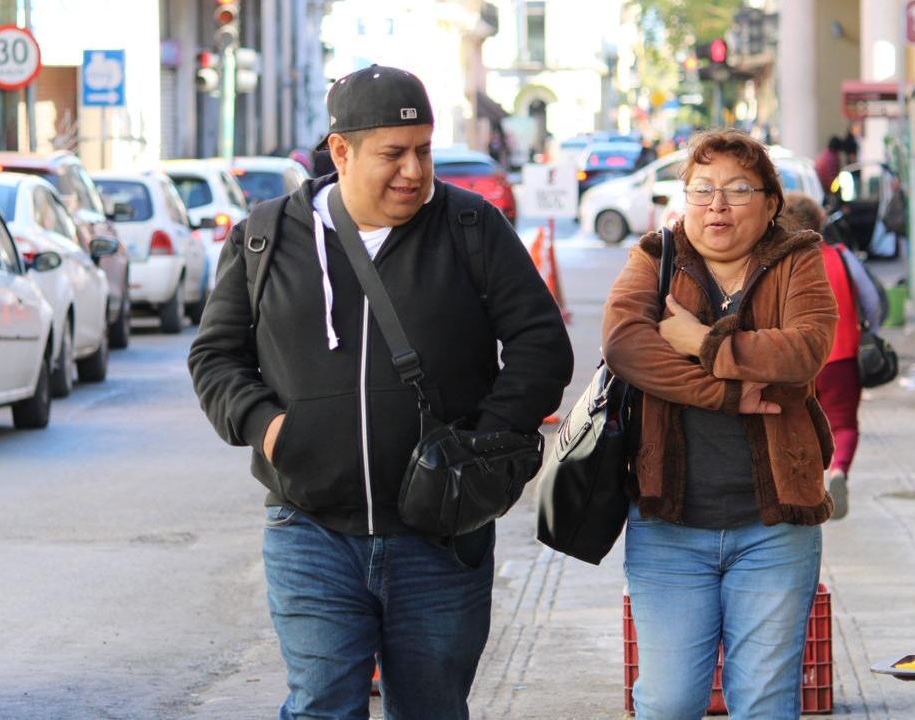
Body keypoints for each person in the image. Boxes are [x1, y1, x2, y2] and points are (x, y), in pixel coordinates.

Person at [187, 64, 573, 719]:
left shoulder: (471, 227)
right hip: (310, 530)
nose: (414, 171)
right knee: (321, 707)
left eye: (423, 150)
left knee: (431, 709)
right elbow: (215, 356)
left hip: (442, 536)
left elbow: (541, 345)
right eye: (393, 154)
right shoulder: (265, 236)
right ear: (341, 151)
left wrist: (484, 440)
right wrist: (269, 429)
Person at [602, 129, 838, 719]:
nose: (717, 206)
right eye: (702, 189)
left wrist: (699, 341)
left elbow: (804, 350)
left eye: (738, 189)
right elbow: (626, 345)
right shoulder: (655, 257)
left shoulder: (798, 258)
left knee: (765, 701)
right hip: (669, 524)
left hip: (775, 525)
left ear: (771, 202)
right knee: (669, 700)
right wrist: (728, 393)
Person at [781, 191, 883, 520]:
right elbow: (872, 300)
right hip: (841, 355)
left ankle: (805, 485)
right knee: (843, 424)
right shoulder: (840, 256)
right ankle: (838, 471)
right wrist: (869, 331)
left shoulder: (779, 263)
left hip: (793, 360)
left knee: (796, 424)